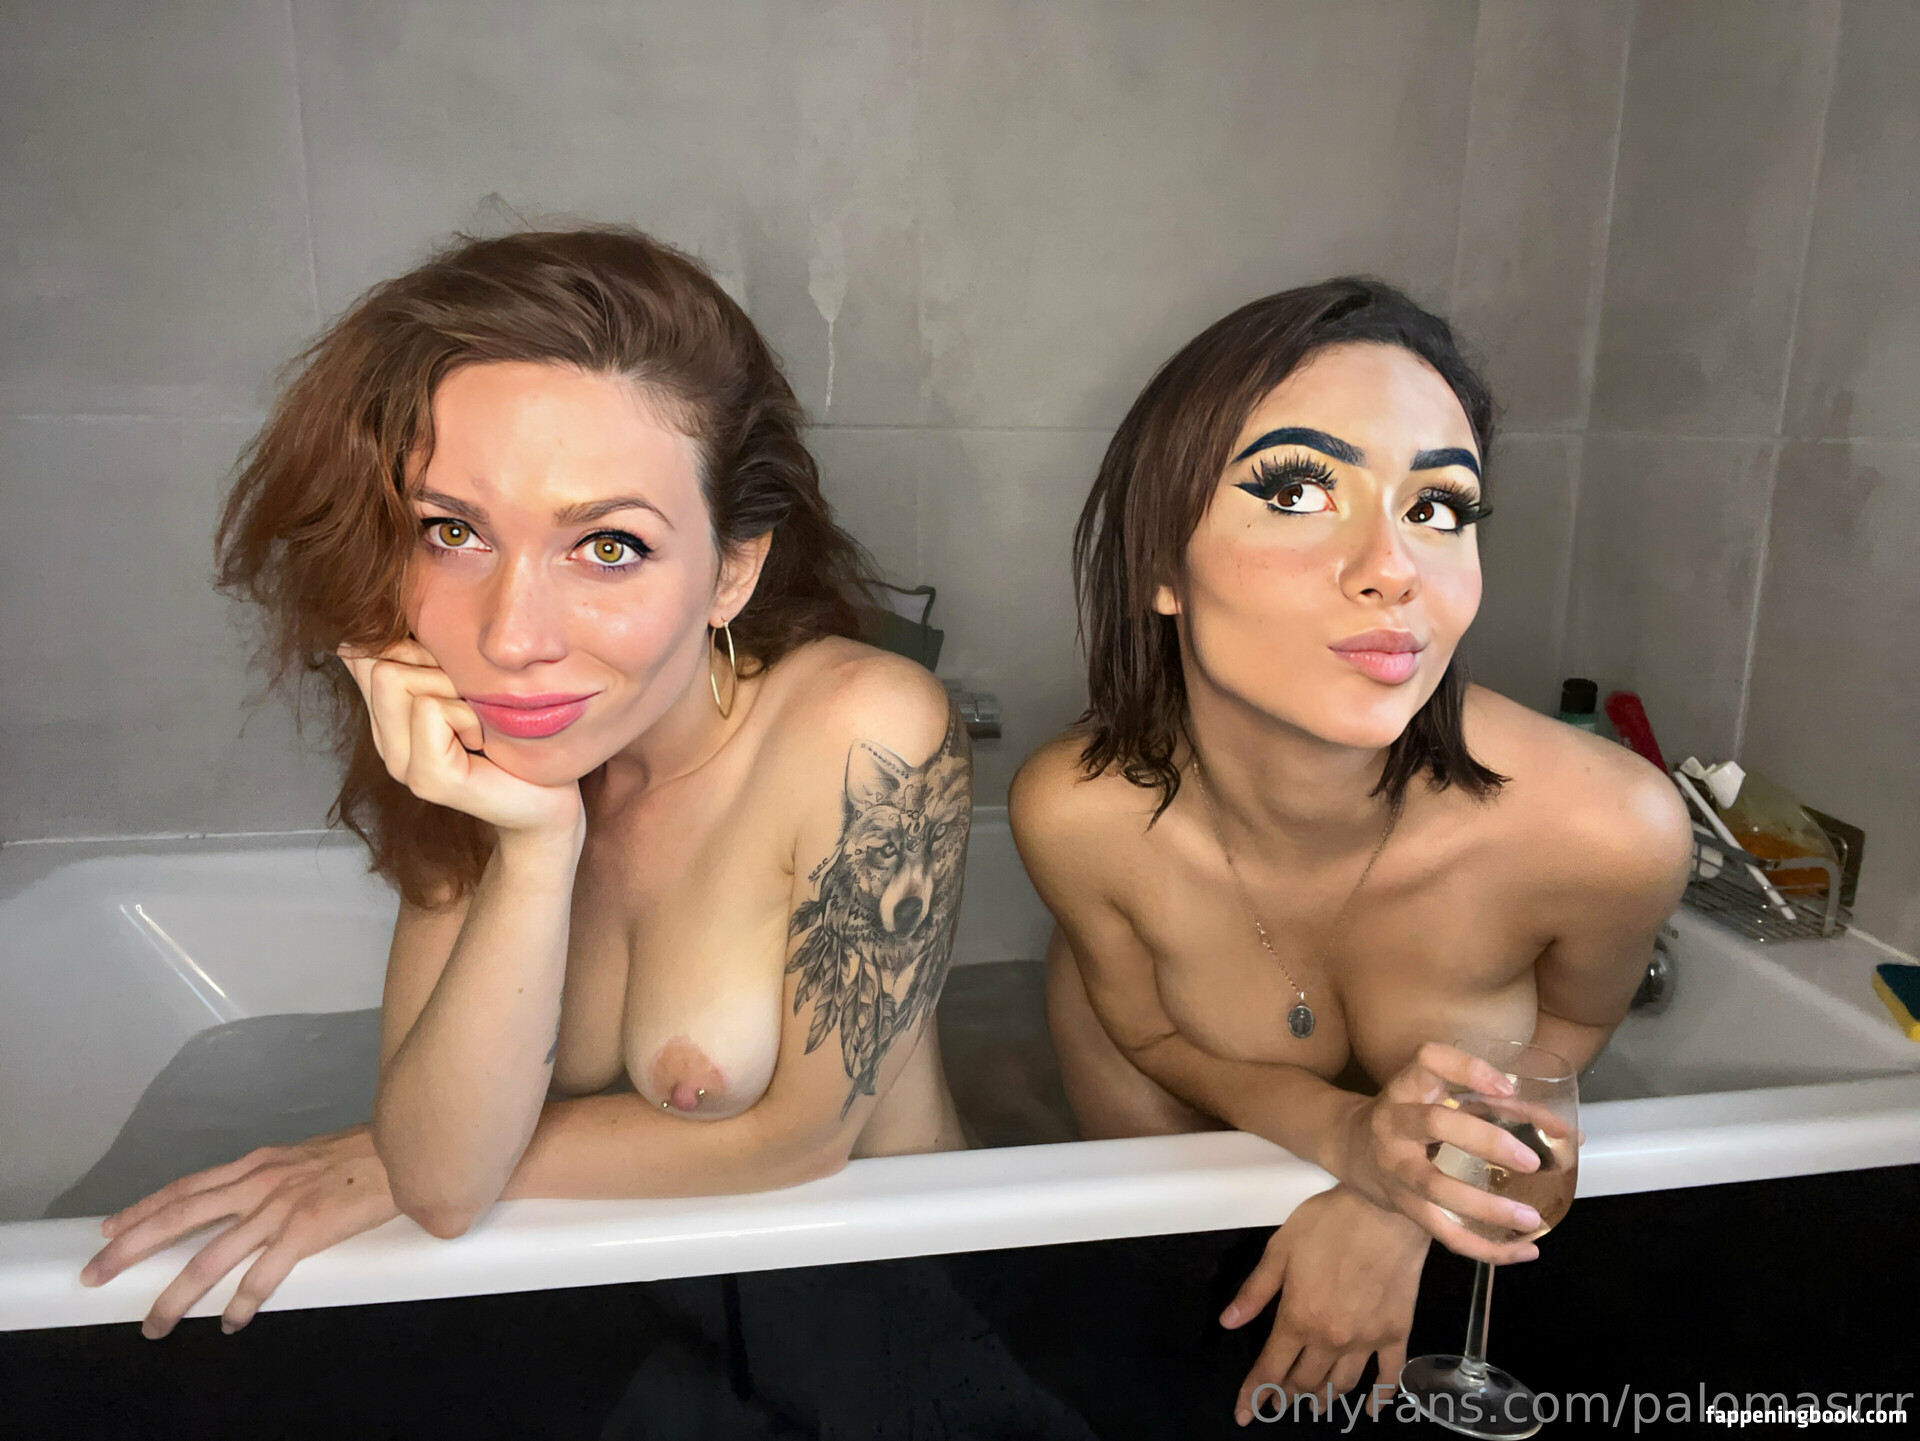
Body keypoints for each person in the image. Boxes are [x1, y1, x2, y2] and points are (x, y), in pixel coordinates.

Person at [78, 227, 972, 1340]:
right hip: (670, 1315)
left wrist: (396, 1157)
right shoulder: (482, 743)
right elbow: (446, 1185)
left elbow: (794, 1141)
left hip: (897, 1294)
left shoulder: (864, 731)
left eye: (609, 546)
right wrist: (535, 841)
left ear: (731, 569)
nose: (510, 638)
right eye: (453, 531)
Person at [1008, 278, 1692, 1426]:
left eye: (1439, 507)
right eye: (1297, 490)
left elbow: (1568, 1040)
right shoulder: (1081, 815)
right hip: (1162, 1223)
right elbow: (1151, 1037)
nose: (1394, 566)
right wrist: (1353, 1140)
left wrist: (1399, 1196)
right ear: (1160, 565)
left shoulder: (1608, 830)